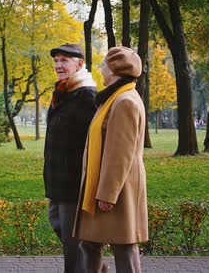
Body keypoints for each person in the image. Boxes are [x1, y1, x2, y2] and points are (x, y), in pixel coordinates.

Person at [74, 46, 148, 273]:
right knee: (90, 242)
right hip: (107, 185)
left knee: (124, 247)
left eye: (104, 65)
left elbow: (120, 153)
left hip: (117, 189)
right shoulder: (115, 97)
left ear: (115, 70)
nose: (100, 68)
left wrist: (107, 194)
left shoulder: (124, 101)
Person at [44, 43, 97, 272]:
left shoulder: (86, 95)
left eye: (64, 60)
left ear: (80, 64)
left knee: (72, 240)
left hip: (74, 180)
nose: (58, 65)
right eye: (56, 61)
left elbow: (94, 141)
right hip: (57, 179)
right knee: (58, 223)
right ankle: (91, 267)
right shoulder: (63, 91)